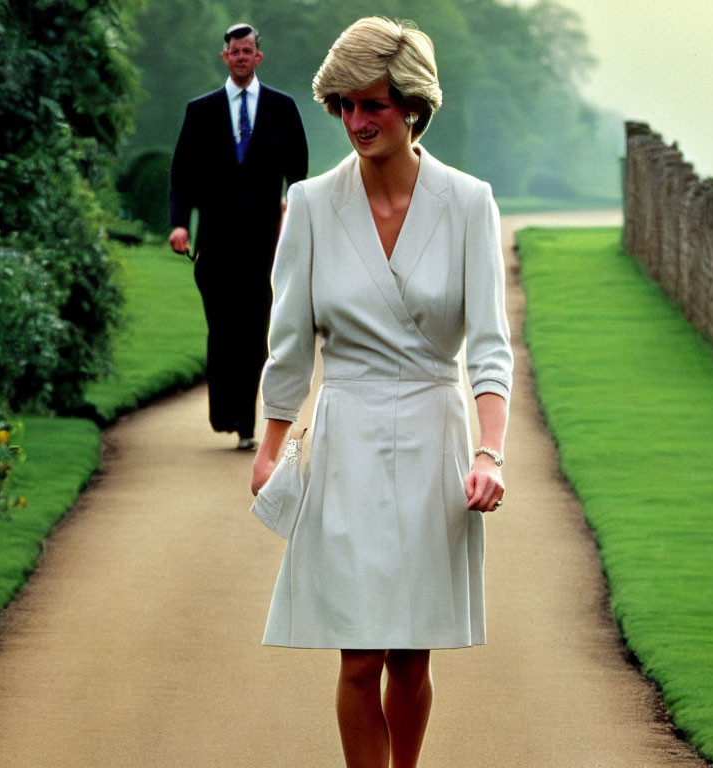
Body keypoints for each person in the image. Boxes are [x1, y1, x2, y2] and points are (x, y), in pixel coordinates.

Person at [251, 16, 513, 768]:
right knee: (360, 656)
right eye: (345, 105)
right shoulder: (308, 204)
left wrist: (490, 452)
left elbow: (491, 348)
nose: (357, 122)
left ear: (414, 108)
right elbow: (290, 342)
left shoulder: (469, 202)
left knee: (410, 658)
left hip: (436, 430)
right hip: (347, 437)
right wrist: (271, 449)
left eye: (374, 105)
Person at [169, 23, 308, 449]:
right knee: (222, 328)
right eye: (235, 51)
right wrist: (179, 224)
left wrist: (294, 212)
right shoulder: (201, 111)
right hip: (214, 242)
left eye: (249, 51)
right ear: (225, 57)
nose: (242, 57)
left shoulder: (282, 108)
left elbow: (299, 174)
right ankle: (227, 412)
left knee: (254, 329)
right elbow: (182, 174)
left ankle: (248, 424)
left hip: (264, 243)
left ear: (258, 58)